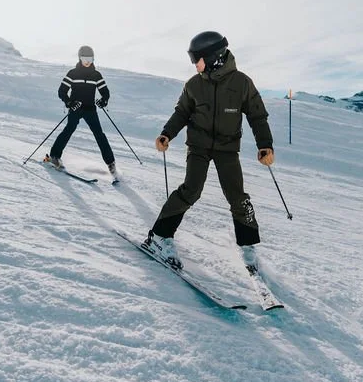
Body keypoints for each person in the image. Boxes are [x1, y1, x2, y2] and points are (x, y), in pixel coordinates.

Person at [144, 31, 274, 269]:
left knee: (238, 197)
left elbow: (257, 115)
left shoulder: (241, 83)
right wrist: (167, 133)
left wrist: (265, 145)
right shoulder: (194, 85)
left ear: (213, 57)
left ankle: (247, 246)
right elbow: (182, 112)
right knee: (191, 190)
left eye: (197, 59)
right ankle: (160, 235)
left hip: (227, 149)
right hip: (199, 146)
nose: (194, 64)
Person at [45, 45, 120, 181]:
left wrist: (104, 100)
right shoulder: (72, 73)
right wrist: (69, 103)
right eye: (85, 58)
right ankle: (55, 156)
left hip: (90, 109)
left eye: (90, 58)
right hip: (76, 108)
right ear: (80, 58)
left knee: (99, 134)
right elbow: (62, 91)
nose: (87, 61)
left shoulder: (96, 75)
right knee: (69, 129)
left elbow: (105, 92)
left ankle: (111, 163)